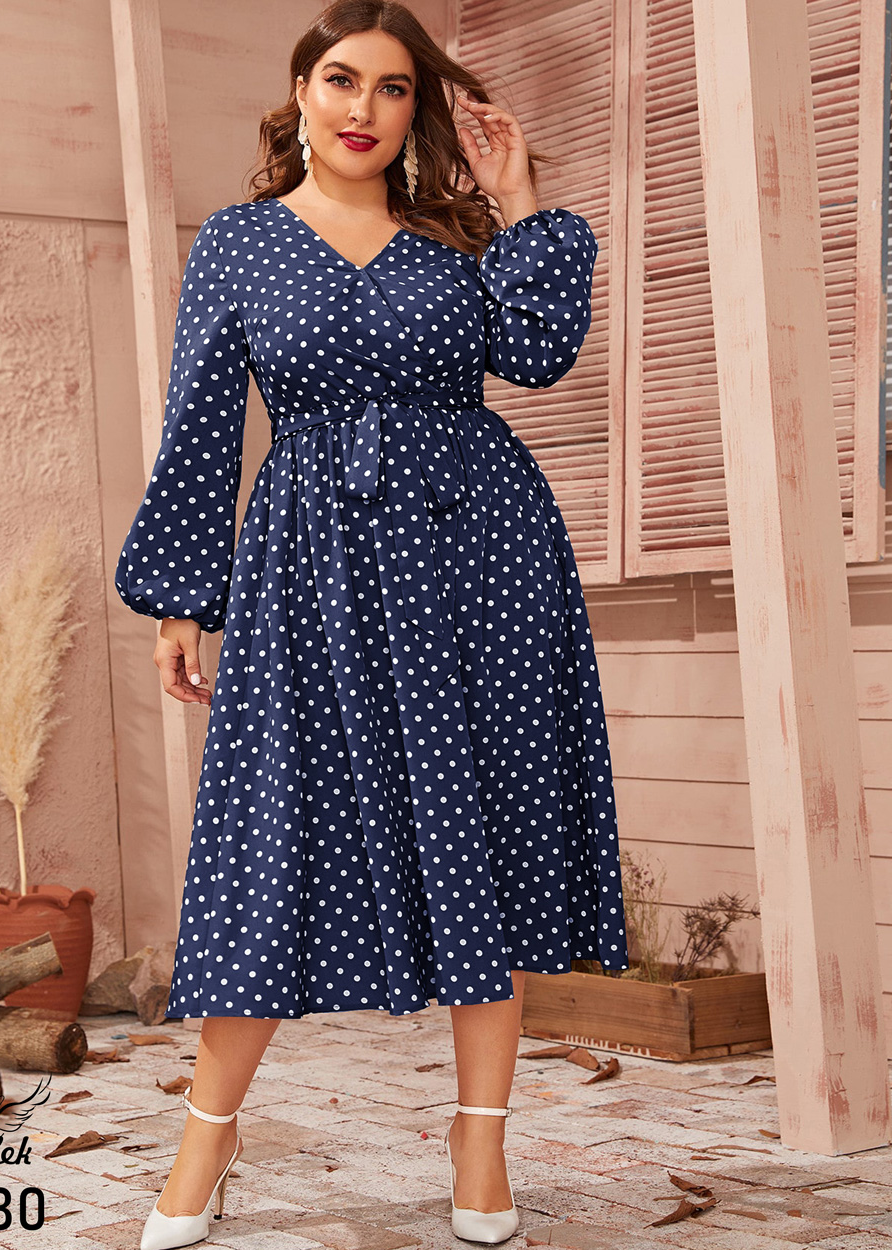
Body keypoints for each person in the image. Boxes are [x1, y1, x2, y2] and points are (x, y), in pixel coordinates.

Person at [115, 2, 629, 1245]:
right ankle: (207, 1136)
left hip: (481, 560)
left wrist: (517, 194)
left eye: (393, 88)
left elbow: (539, 351)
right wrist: (184, 597)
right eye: (342, 80)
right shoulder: (240, 243)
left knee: (486, 827)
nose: (364, 108)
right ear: (300, 91)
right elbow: (199, 420)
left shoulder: (453, 239)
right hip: (311, 566)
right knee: (272, 837)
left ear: (416, 110)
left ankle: (479, 1138)